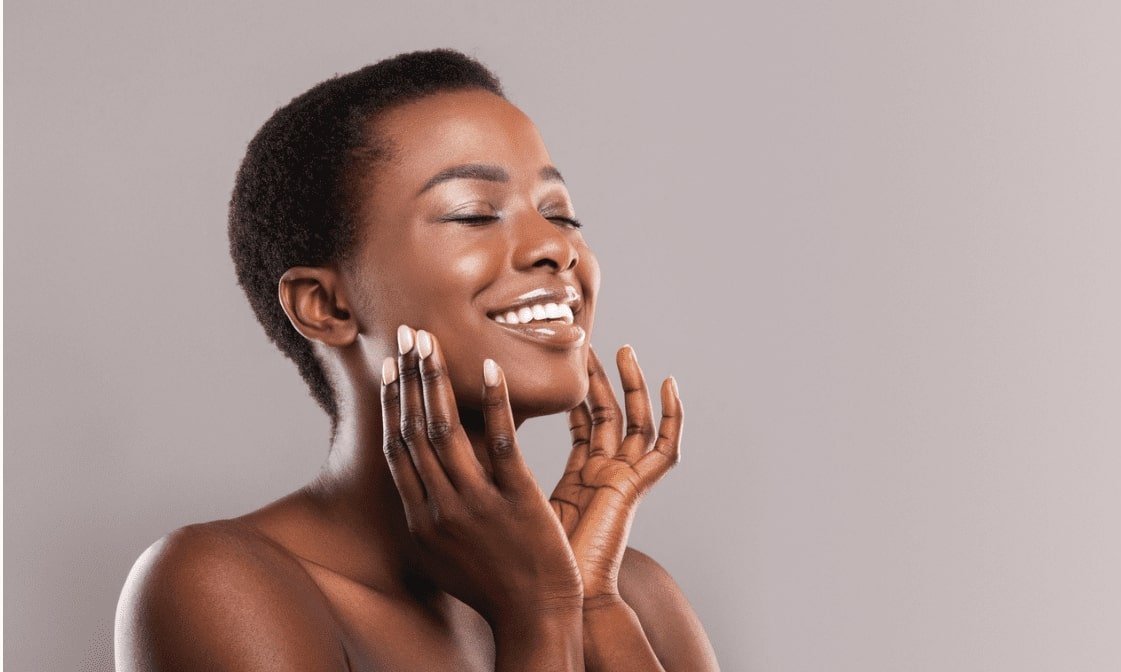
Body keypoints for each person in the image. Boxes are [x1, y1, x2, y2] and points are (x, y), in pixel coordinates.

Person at [114, 49, 719, 671]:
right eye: (474, 214)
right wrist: (538, 613)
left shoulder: (631, 592)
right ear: (325, 304)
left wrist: (590, 603)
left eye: (560, 212)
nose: (554, 247)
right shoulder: (222, 584)